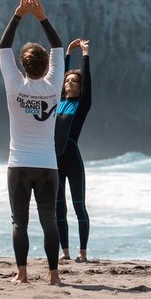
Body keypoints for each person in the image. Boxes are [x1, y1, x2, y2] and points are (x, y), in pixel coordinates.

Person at [0, 0, 65, 285]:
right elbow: (59, 47)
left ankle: (22, 274)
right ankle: (53, 276)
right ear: (45, 66)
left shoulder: (15, 85)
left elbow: (3, 48)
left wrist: (18, 15)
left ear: (24, 66)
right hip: (47, 165)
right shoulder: (53, 85)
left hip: (19, 165)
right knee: (49, 220)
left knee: (19, 222)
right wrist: (41, 16)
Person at [55, 38, 92, 263]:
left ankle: (83, 252)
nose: (69, 82)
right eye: (67, 80)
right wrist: (67, 53)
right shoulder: (58, 102)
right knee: (59, 208)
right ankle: (66, 252)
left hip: (73, 161)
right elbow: (60, 76)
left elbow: (87, 82)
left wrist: (85, 54)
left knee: (79, 207)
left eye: (73, 81)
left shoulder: (82, 104)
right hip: (55, 161)